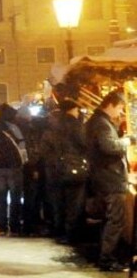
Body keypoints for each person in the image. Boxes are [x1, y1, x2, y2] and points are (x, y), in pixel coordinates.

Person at [85, 90, 131, 272]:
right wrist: (126, 141)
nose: (120, 112)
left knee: (109, 219)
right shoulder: (102, 124)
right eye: (119, 108)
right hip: (110, 178)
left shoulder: (95, 121)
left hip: (102, 177)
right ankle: (107, 259)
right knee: (116, 220)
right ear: (110, 104)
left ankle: (105, 255)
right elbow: (109, 146)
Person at [45, 100, 87, 243]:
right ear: (71, 109)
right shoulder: (75, 125)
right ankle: (72, 235)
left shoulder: (55, 125)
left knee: (62, 201)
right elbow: (84, 143)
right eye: (77, 110)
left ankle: (61, 231)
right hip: (75, 167)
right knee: (75, 203)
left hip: (60, 168)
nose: (78, 112)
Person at [0, 103, 27, 236]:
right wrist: (24, 161)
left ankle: (2, 226)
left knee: (1, 197)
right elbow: (21, 145)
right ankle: (14, 225)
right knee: (15, 196)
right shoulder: (14, 127)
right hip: (13, 166)